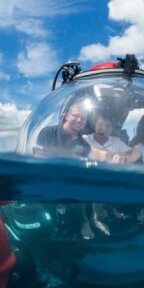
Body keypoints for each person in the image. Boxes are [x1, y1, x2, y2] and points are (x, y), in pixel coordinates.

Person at [34, 101, 107, 239]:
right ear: (67, 115)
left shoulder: (83, 144)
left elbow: (84, 165)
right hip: (47, 180)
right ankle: (81, 220)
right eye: (76, 116)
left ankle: (87, 219)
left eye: (83, 118)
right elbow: (39, 158)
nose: (79, 120)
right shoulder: (48, 132)